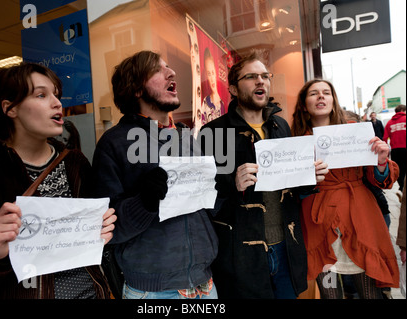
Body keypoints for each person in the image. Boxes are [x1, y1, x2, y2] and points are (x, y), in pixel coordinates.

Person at [0, 63, 116, 299]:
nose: (57, 103)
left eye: (56, 95)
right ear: (10, 109)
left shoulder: (75, 162)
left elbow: (93, 235)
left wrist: (102, 228)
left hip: (91, 292)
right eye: (41, 95)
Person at [92, 50, 219, 299]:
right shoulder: (114, 143)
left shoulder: (187, 138)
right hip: (154, 292)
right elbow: (104, 229)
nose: (171, 73)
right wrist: (144, 203)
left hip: (205, 284)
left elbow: (207, 210)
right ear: (137, 89)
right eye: (158, 70)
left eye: (169, 68)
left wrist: (221, 188)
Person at [200, 51, 327, 299]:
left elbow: (290, 185)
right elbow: (204, 196)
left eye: (264, 76)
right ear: (234, 89)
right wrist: (231, 182)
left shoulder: (281, 126)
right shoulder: (214, 132)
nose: (261, 81)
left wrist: (307, 176)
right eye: (251, 77)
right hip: (241, 256)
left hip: (285, 248)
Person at [291, 79, 400, 299]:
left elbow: (380, 178)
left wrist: (380, 161)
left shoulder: (355, 131)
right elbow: (292, 189)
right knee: (330, 293)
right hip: (318, 224)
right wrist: (304, 178)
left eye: (326, 92)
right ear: (303, 105)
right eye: (313, 93)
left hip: (360, 218)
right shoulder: (296, 141)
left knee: (370, 294)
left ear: (334, 100)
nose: (321, 97)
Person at [383, 104, 406, 192]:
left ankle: (401, 187)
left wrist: (386, 153)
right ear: (403, 111)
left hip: (395, 150)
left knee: (399, 170)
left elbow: (385, 138)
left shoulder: (389, 123)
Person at [201, 47, 224, 125]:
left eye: (213, 73)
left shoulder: (223, 103)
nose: (211, 78)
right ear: (206, 76)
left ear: (216, 73)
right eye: (209, 74)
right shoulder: (205, 104)